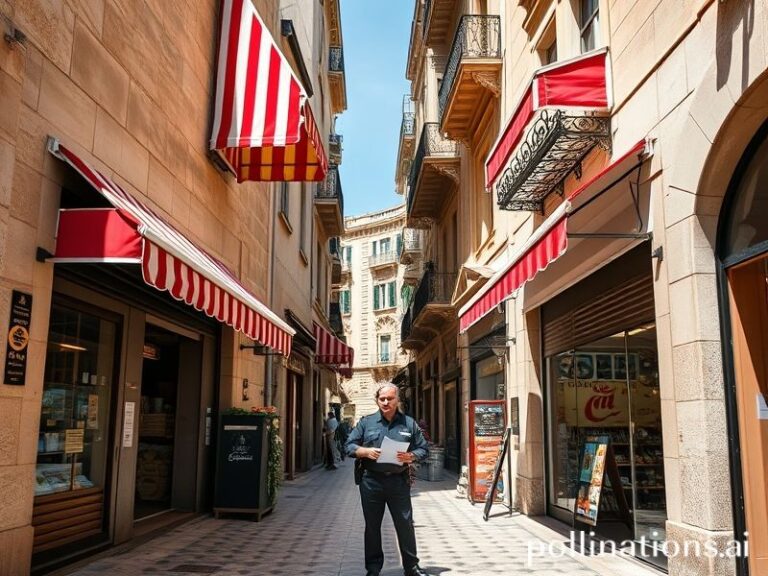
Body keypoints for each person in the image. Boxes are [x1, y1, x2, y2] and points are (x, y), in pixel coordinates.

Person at [345, 383, 429, 576]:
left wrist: (412, 456)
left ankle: (411, 567)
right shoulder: (366, 423)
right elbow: (348, 445)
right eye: (382, 399)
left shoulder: (408, 423)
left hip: (398, 481)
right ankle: (373, 569)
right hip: (371, 481)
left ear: (397, 400)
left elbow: (423, 448)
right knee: (372, 526)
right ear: (377, 400)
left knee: (405, 524)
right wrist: (364, 451)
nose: (385, 402)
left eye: (389, 399)